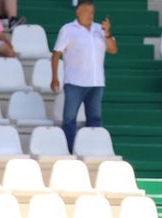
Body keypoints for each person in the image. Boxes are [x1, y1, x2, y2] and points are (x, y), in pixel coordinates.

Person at [50, 0, 117, 152]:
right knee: (69, 118)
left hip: (96, 82)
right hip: (75, 81)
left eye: (92, 12)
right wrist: (54, 77)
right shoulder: (68, 29)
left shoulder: (100, 29)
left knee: (95, 118)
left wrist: (108, 33)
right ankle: (69, 150)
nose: (90, 15)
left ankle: (93, 149)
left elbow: (113, 50)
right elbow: (56, 54)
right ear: (78, 12)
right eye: (86, 11)